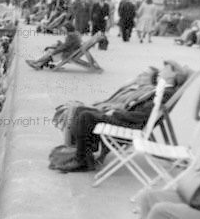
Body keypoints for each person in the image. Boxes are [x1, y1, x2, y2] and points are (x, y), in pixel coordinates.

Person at [57, 60, 186, 172]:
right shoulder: (163, 89)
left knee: (86, 116)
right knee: (80, 111)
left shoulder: (166, 92)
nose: (161, 71)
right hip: (130, 119)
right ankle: (85, 154)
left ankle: (81, 161)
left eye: (165, 69)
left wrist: (116, 113)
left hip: (132, 124)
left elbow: (142, 115)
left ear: (173, 75)